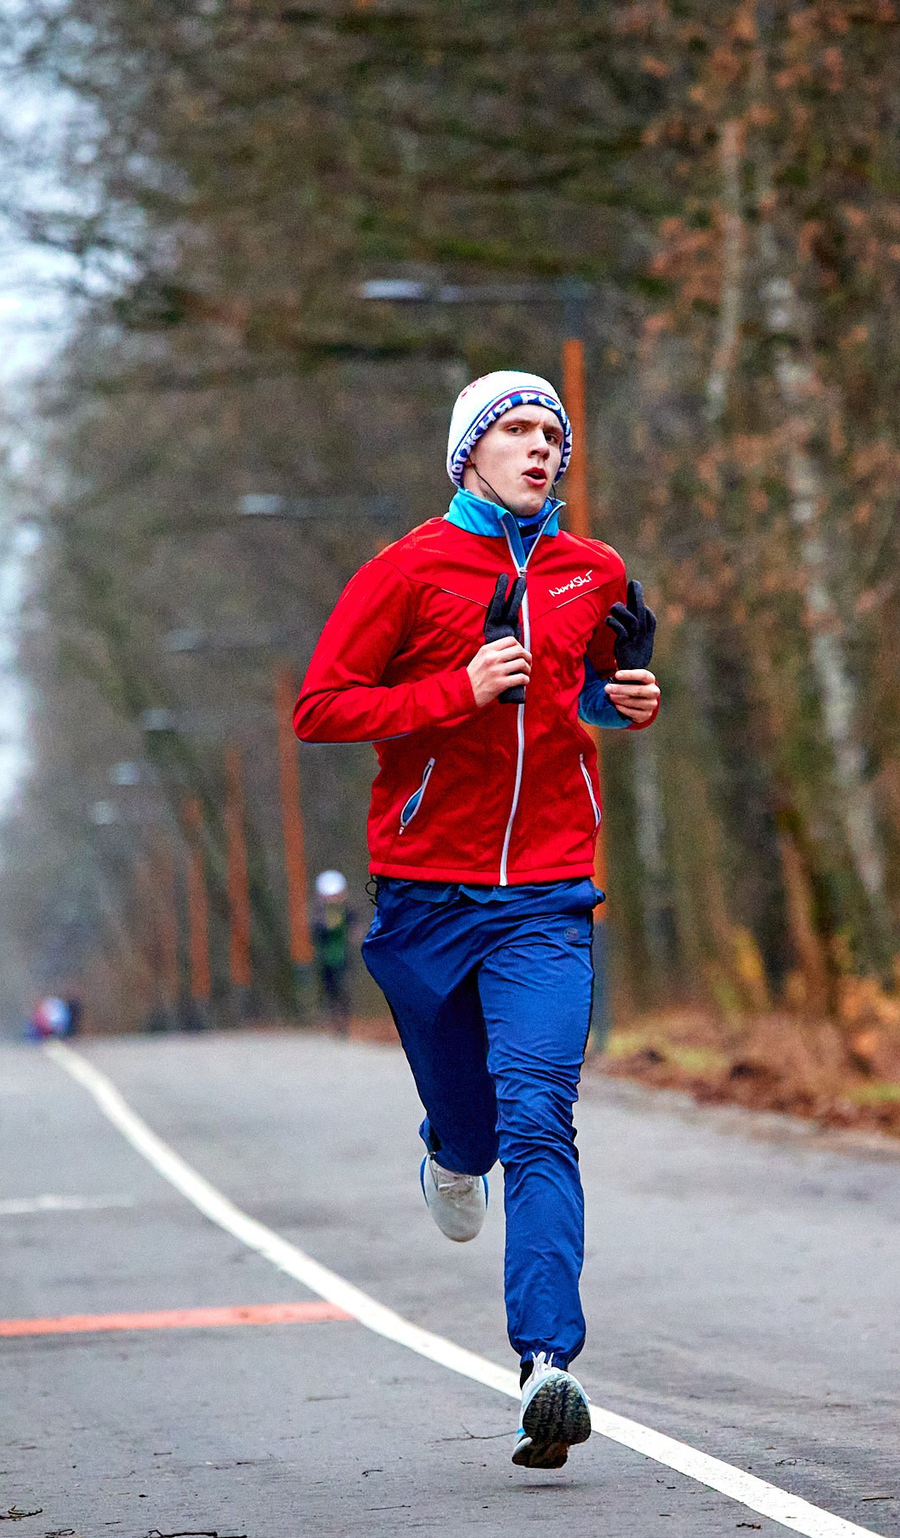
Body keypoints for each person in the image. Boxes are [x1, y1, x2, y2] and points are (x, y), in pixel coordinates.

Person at [295, 369, 661, 1470]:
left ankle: (547, 1364)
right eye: (515, 430)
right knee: (478, 1130)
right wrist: (451, 692)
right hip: (426, 893)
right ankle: (449, 1154)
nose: (540, 448)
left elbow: (586, 686)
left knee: (541, 1113)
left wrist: (621, 697)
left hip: (548, 893)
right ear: (468, 454)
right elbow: (321, 708)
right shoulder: (406, 571)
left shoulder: (592, 572)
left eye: (552, 433)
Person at [312, 869, 355, 1036]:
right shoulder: (319, 914)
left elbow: (355, 931)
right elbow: (315, 934)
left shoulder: (348, 912)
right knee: (331, 991)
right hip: (326, 959)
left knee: (344, 990)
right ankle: (335, 1023)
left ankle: (344, 1023)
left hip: (344, 958)